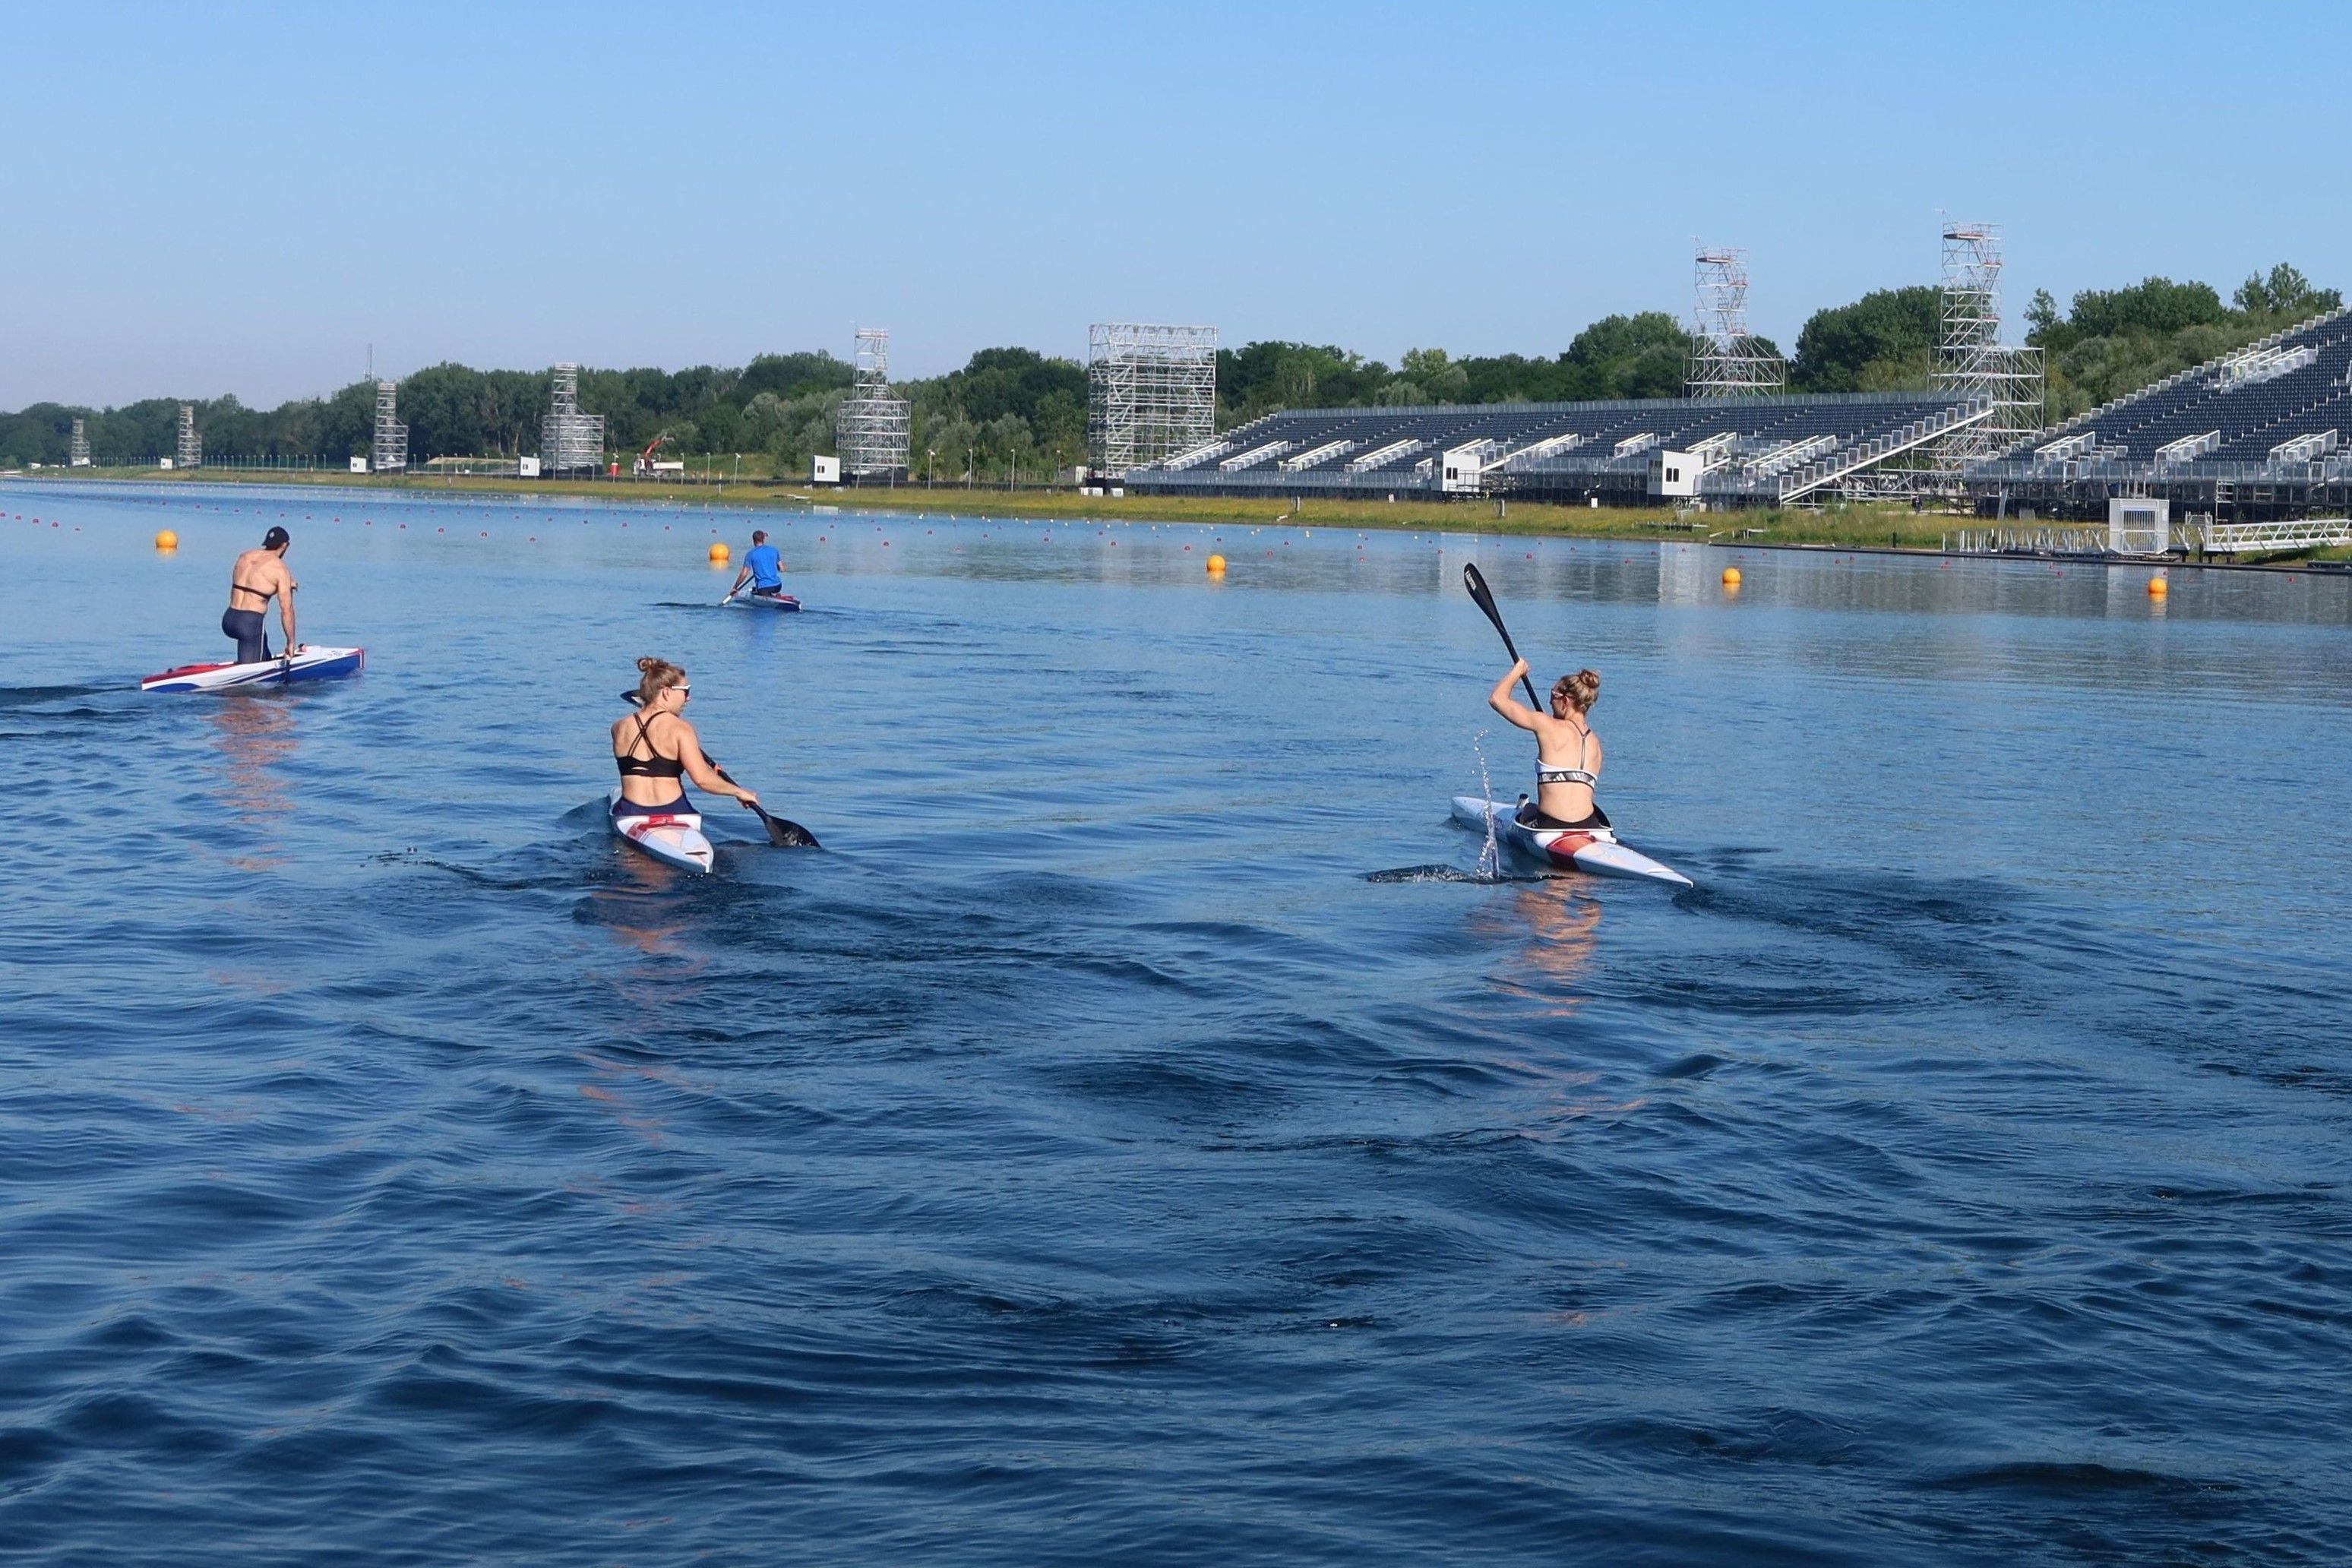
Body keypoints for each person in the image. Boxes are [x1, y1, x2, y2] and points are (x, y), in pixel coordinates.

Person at [611, 657, 760, 819]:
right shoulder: (681, 729)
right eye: (686, 691)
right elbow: (702, 780)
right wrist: (739, 792)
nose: (688, 698)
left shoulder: (619, 727)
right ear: (667, 692)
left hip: (630, 813)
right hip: (674, 811)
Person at [1488, 658, 1608, 830]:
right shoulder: (1596, 744)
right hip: (1588, 825)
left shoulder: (1547, 725)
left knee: (1528, 809)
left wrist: (1518, 671)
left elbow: (1497, 699)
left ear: (1565, 701)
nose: (1550, 702)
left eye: (1553, 696)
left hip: (1551, 825)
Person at [223, 526, 299, 665]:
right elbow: (286, 610)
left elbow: (254, 584)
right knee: (250, 680)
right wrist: (291, 642)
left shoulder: (244, 556)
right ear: (285, 545)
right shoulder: (280, 569)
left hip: (229, 619)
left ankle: (264, 662)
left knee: (262, 647)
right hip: (249, 624)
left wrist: (286, 585)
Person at [728, 530, 786, 599]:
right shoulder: (774, 550)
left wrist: (735, 587)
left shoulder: (751, 554)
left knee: (761, 590)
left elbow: (744, 574)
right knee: (767, 589)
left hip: (763, 588)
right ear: (764, 539)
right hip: (778, 586)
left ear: (753, 540)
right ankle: (773, 596)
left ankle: (763, 595)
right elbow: (782, 569)